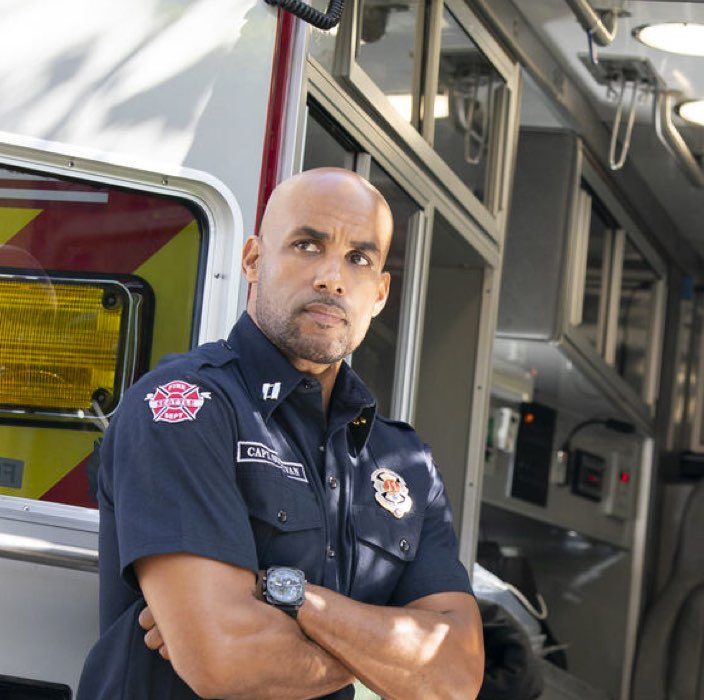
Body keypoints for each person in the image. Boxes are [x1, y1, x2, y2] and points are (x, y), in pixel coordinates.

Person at [77, 167, 484, 698]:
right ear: (253, 259)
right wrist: (387, 651)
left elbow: (454, 673)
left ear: (381, 293)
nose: (332, 278)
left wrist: (283, 594)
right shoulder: (184, 407)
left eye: (359, 259)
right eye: (307, 245)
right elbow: (222, 656)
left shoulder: (404, 462)